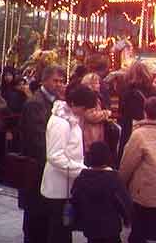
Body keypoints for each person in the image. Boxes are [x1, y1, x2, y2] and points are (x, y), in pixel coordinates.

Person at [41, 84, 98, 243]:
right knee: (59, 229)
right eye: (84, 107)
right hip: (58, 187)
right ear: (73, 104)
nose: (86, 111)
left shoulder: (71, 119)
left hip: (67, 183)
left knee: (65, 227)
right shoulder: (61, 123)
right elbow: (55, 156)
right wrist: (82, 170)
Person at [119, 97, 156, 243]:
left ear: (145, 112)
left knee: (138, 231)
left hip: (144, 194)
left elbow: (127, 163)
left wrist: (120, 184)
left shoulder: (139, 134)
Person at [20, 65, 65, 243]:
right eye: (55, 80)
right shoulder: (35, 104)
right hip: (38, 167)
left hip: (48, 168)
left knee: (45, 216)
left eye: (61, 81)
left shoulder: (55, 102)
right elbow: (36, 140)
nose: (59, 84)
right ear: (44, 80)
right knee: (35, 216)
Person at [71, 141, 133, 243]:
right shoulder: (114, 179)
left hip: (91, 229)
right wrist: (127, 219)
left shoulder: (81, 179)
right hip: (111, 229)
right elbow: (125, 203)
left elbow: (75, 201)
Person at [80, 73, 121, 167]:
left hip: (96, 131)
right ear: (90, 84)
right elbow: (90, 115)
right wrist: (106, 113)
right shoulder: (89, 98)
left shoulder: (96, 96)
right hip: (91, 132)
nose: (99, 85)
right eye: (96, 83)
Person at [119, 61, 152, 156]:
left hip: (129, 128)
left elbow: (122, 111)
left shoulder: (126, 91)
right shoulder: (150, 90)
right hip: (147, 126)